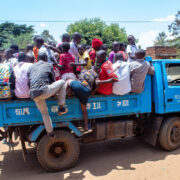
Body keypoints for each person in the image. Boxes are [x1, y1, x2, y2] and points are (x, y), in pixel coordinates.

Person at [27, 51, 68, 138]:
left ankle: (51, 133)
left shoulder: (31, 66)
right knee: (62, 82)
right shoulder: (48, 65)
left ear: (37, 59)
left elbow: (29, 82)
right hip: (44, 91)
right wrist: (54, 93)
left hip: (33, 94)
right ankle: (61, 107)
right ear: (46, 59)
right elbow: (53, 80)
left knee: (44, 113)